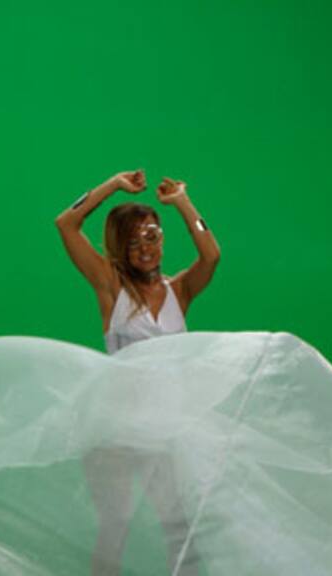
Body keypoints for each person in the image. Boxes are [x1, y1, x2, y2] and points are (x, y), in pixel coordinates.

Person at [55, 169, 221, 575]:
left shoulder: (179, 291)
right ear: (120, 248)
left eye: (152, 236)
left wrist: (182, 202)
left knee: (180, 528)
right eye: (133, 242)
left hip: (165, 427)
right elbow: (67, 223)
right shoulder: (111, 286)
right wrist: (113, 184)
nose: (146, 248)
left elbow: (211, 255)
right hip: (115, 427)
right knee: (116, 525)